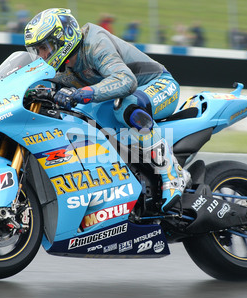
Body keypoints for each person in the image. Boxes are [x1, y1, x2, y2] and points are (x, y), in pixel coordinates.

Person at [24, 8, 190, 212]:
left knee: (125, 107)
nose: (41, 55)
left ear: (63, 38)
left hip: (160, 86)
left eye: (44, 47)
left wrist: (83, 92)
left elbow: (126, 81)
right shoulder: (62, 66)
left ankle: (172, 174)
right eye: (37, 50)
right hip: (119, 95)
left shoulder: (95, 43)